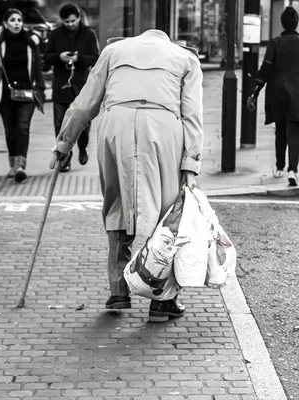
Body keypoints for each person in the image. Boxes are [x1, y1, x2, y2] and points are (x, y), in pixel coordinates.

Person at [50, 30, 203, 322]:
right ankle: (162, 301)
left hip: (114, 125)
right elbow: (192, 115)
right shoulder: (186, 58)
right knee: (166, 213)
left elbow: (86, 101)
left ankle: (118, 292)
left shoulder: (113, 52)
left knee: (117, 205)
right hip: (163, 128)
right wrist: (190, 163)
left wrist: (64, 143)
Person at [247, 6, 299, 187]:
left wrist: (254, 92)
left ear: (282, 23)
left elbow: (265, 70)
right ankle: (293, 170)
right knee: (294, 133)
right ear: (297, 23)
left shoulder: (275, 44)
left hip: (278, 94)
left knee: (280, 130)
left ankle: (280, 166)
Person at [0, 8, 46, 183]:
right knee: (10, 129)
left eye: (19, 20)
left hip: (27, 91)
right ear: (5, 23)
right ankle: (13, 164)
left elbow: (37, 67)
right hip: (4, 93)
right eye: (12, 20)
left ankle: (20, 165)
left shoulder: (30, 42)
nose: (16, 23)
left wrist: (40, 88)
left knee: (22, 126)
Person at [44, 3, 100, 172]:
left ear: (78, 18)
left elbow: (95, 58)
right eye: (66, 22)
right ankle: (64, 158)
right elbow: (47, 57)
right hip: (61, 85)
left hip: (81, 85)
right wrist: (59, 57)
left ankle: (82, 147)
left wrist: (79, 59)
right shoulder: (55, 34)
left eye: (72, 21)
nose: (70, 24)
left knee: (83, 123)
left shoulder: (89, 34)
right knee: (60, 124)